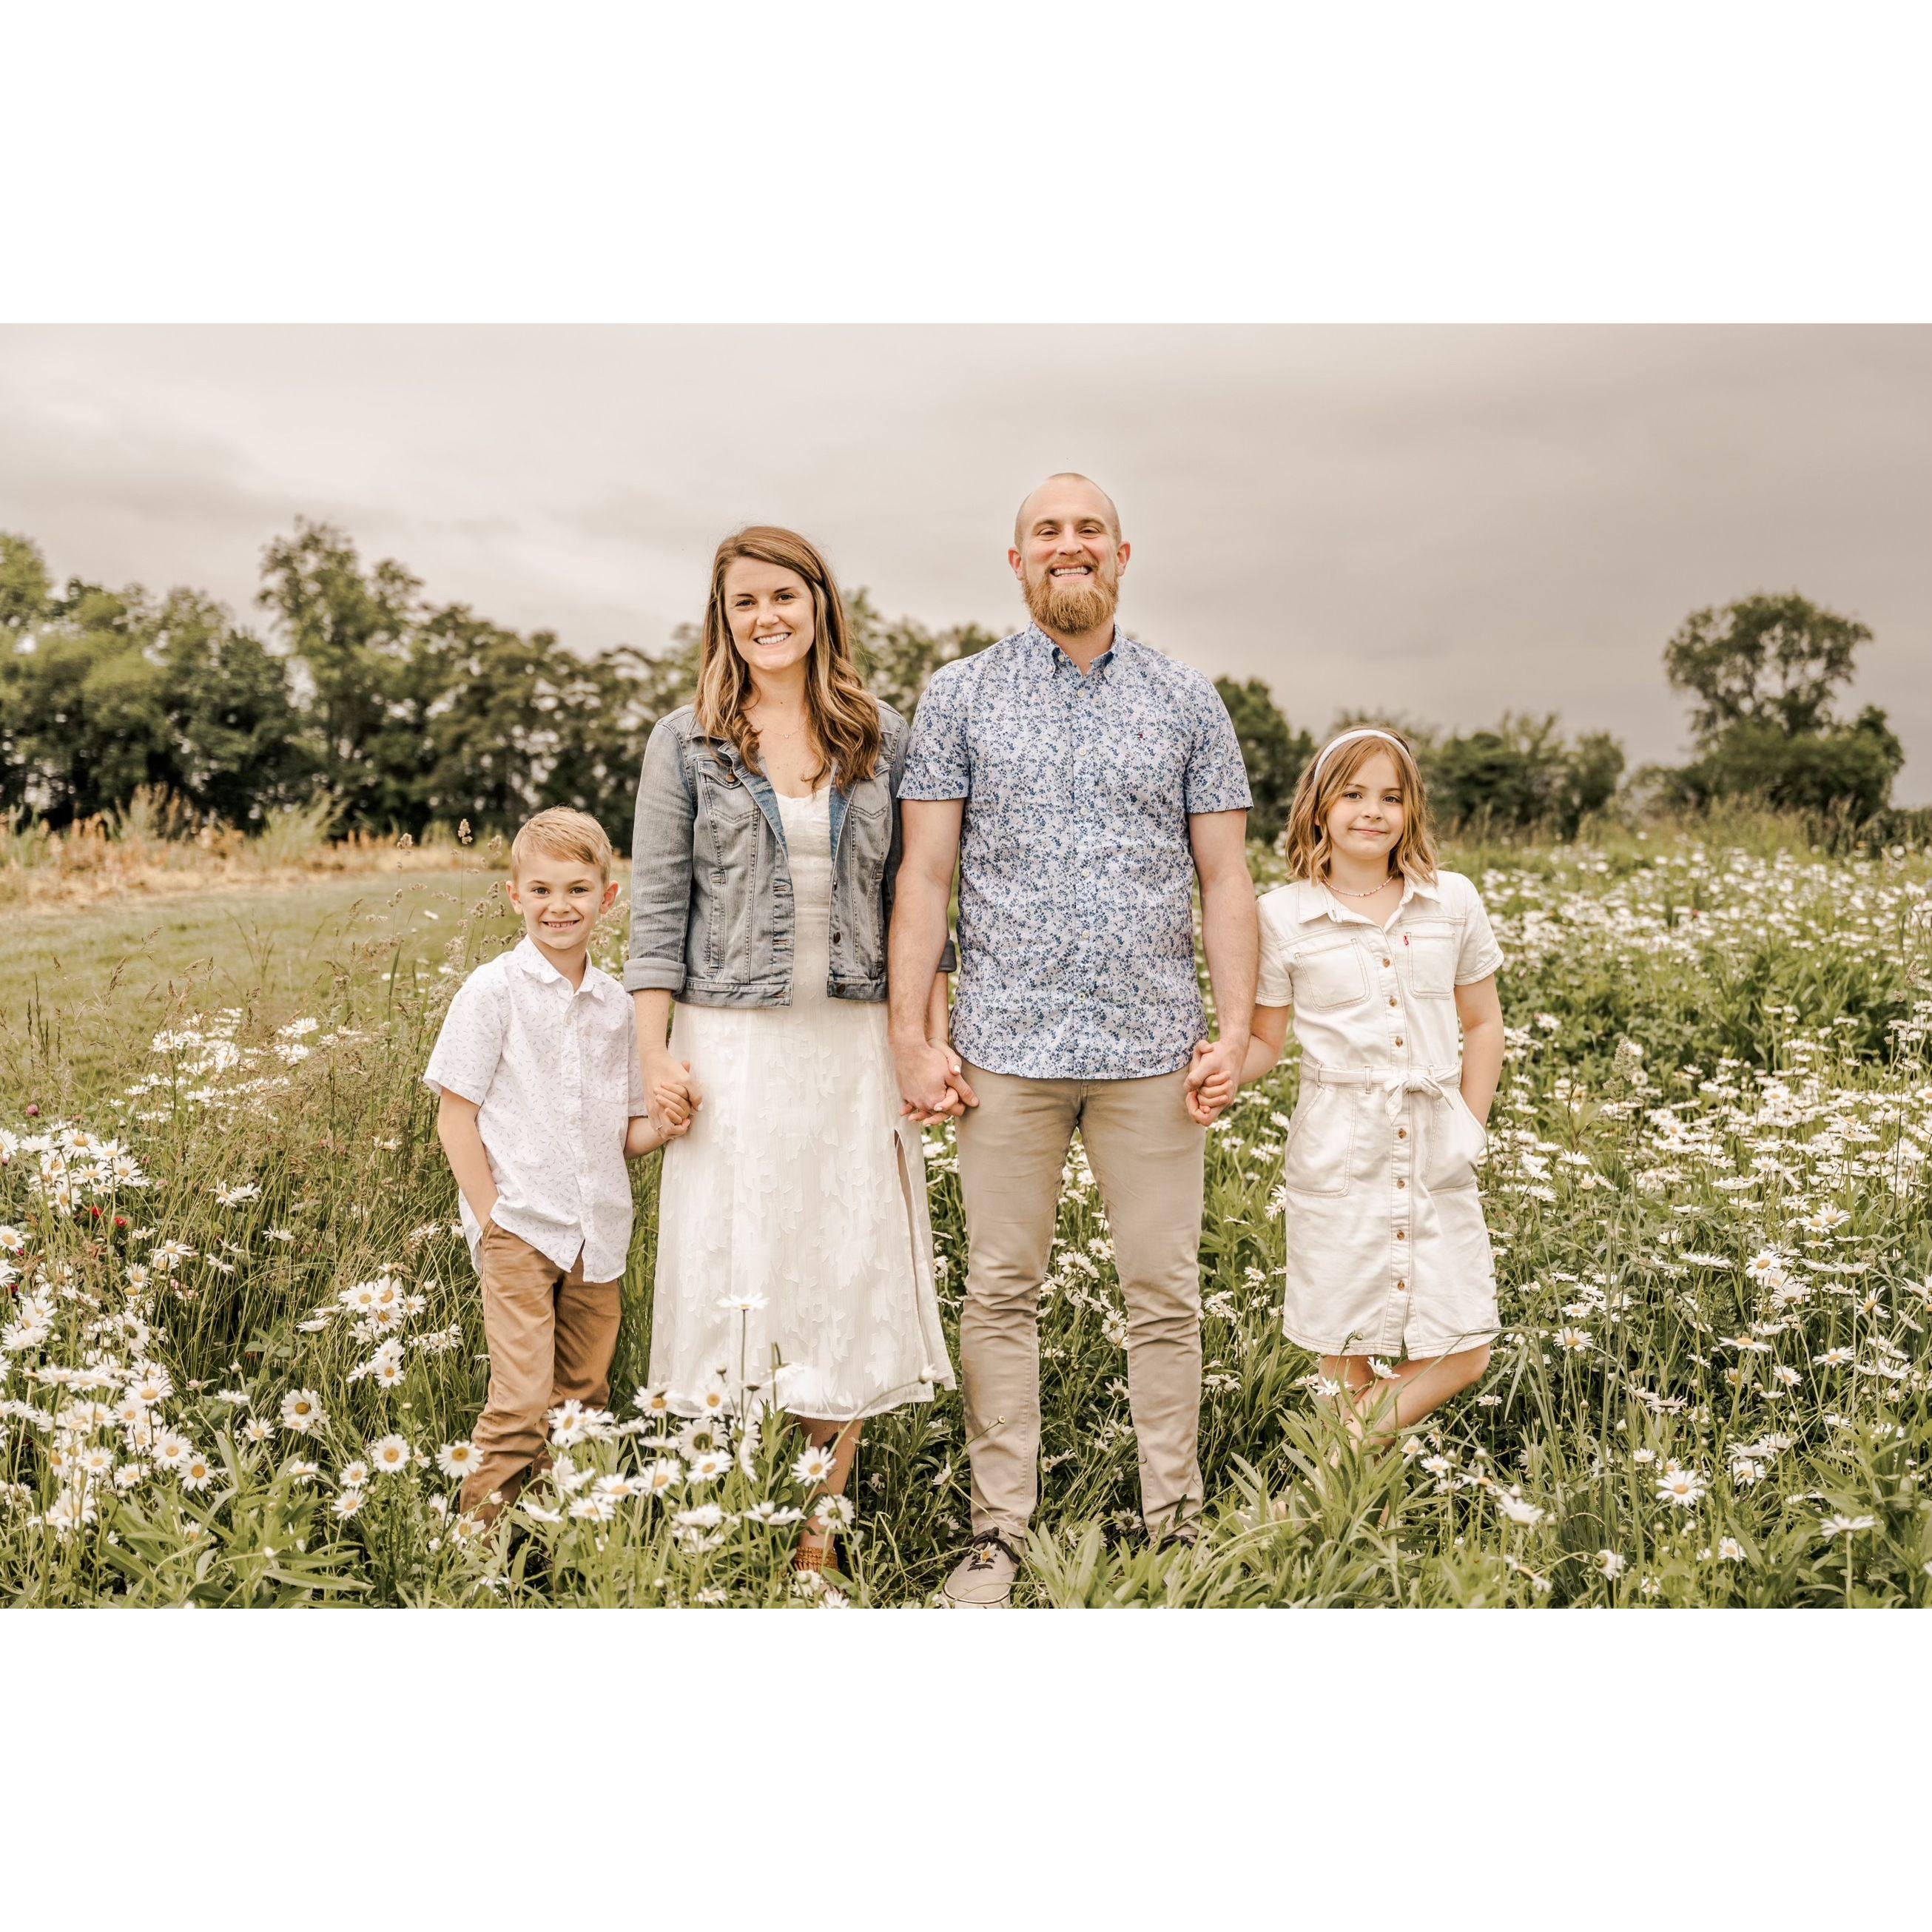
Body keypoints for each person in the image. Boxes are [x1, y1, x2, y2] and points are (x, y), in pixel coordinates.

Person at [892, 471, 1257, 1607]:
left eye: (1087, 528)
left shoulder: (1187, 699)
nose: (1068, 544)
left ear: (1120, 554)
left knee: (1164, 1295)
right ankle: (995, 1533)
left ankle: (1174, 1525)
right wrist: (912, 1036)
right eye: (1045, 531)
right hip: (1002, 1048)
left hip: (1154, 1050)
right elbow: (924, 877)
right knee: (1000, 1290)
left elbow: (1225, 877)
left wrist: (1236, 1030)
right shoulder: (959, 695)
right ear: (1015, 561)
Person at [625, 525, 957, 1573]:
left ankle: (818, 1540)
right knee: (733, 1266)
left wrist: (928, 1040)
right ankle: (718, 1529)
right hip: (731, 1046)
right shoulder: (685, 741)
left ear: (819, 603)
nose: (765, 616)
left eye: (783, 595)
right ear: (721, 619)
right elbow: (655, 907)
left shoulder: (882, 734)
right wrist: (652, 1054)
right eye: (744, 602)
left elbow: (918, 903)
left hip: (855, 1044)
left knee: (845, 1270)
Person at [1195, 726, 1505, 1438]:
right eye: (1354, 794)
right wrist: (1222, 1071)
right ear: (1319, 806)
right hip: (1339, 1145)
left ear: (1411, 808)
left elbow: (1483, 1022)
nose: (1373, 811)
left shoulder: (1451, 900)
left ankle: (1328, 1470)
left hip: (1435, 1142)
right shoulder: (1282, 915)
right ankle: (1351, 1494)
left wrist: (1470, 1124)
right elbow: (1266, 1041)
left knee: (1464, 1349)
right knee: (1344, 1350)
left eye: (1391, 797)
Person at [424, 807, 680, 1526]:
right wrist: (492, 1217)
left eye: (575, 889)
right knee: (519, 1404)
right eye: (540, 890)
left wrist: (668, 1121)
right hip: (520, 1228)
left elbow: (624, 1134)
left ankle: (556, 1543)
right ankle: (476, 1554)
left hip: (597, 1233)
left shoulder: (618, 1007)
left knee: (582, 1404)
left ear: (607, 897)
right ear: (515, 896)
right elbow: (454, 1117)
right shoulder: (492, 991)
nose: (557, 906)